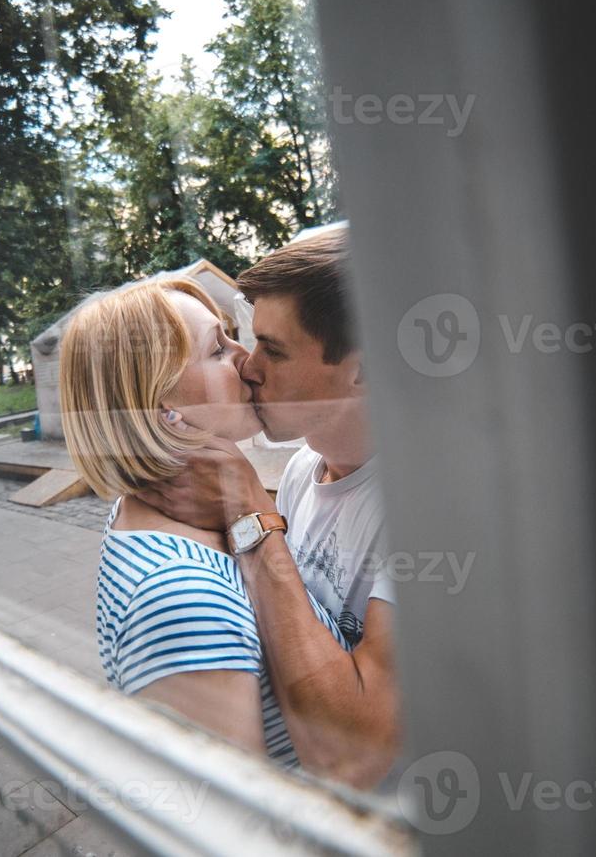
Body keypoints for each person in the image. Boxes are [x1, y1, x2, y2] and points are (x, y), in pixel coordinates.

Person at [136, 229, 401, 790]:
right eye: (245, 342)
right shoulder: (307, 468)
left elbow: (348, 760)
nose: (247, 367)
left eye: (273, 350)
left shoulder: (424, 505)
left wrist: (251, 511)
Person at [59, 277, 349, 766]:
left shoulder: (164, 514)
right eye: (218, 348)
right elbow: (237, 824)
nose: (249, 360)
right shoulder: (178, 596)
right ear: (165, 409)